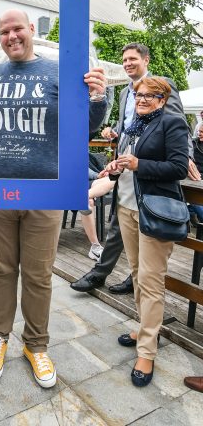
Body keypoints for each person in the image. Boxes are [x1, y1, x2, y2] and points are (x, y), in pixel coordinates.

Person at [0, 9, 107, 389]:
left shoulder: (57, 72)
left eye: (17, 28)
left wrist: (99, 97)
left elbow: (85, 125)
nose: (11, 36)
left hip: (45, 191)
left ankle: (35, 345)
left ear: (31, 30)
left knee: (38, 275)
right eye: (4, 31)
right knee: (1, 270)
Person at [71, 42, 197, 294]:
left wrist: (186, 158)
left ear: (146, 60)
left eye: (133, 59)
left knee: (133, 225)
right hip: (125, 166)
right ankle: (126, 275)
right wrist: (115, 133)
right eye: (125, 60)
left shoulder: (161, 86)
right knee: (120, 221)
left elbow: (176, 125)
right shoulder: (124, 93)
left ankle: (111, 275)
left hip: (149, 171)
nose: (127, 64)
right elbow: (132, 126)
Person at [103, 77, 188, 386]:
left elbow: (178, 168)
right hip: (126, 206)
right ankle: (144, 328)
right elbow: (128, 163)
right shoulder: (133, 126)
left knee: (151, 282)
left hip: (154, 211)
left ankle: (147, 351)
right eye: (138, 95)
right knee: (138, 275)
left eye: (150, 96)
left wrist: (139, 164)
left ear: (163, 100)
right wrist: (117, 167)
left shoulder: (172, 122)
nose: (141, 99)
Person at [187, 123, 203, 223]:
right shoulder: (194, 144)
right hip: (196, 179)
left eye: (202, 132)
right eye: (199, 131)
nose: (199, 134)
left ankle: (191, 213)